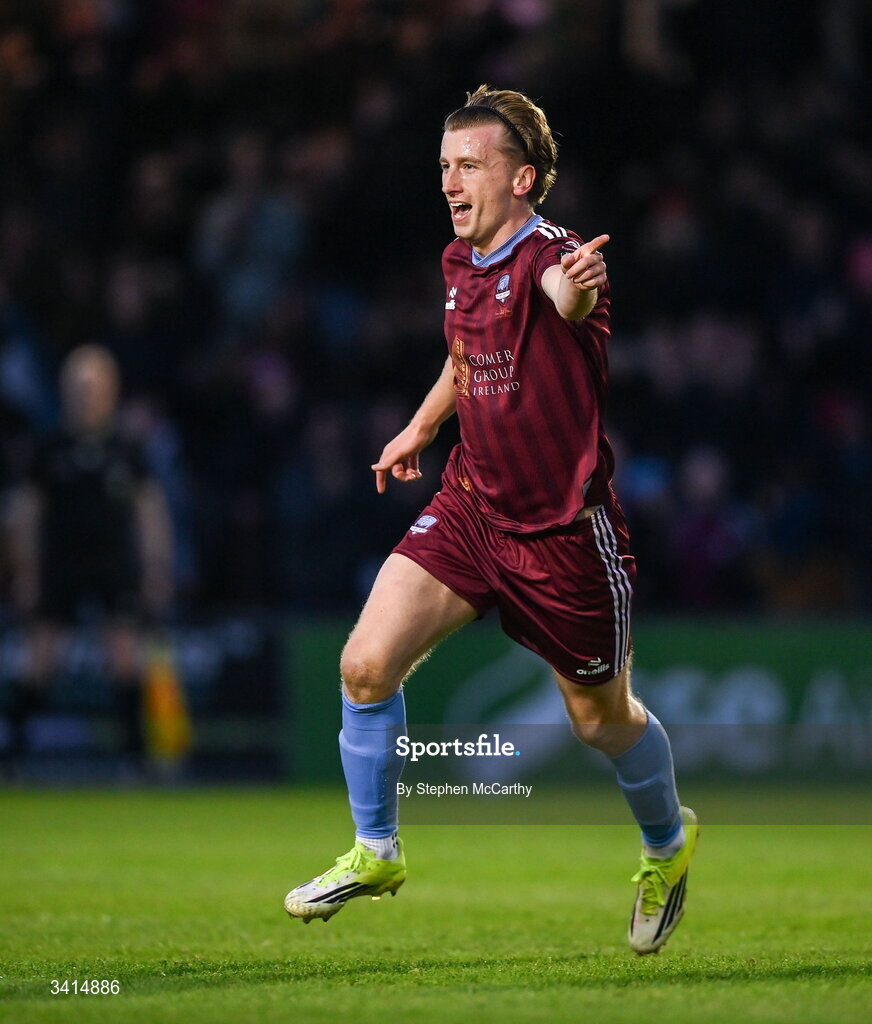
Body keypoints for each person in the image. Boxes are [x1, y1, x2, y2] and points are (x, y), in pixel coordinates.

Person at [284, 86, 698, 954]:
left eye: (470, 165)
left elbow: (564, 298)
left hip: (563, 537)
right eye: (445, 166)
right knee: (363, 666)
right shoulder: (458, 263)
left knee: (599, 723)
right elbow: (467, 352)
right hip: (472, 508)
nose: (451, 181)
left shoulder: (556, 258)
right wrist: (421, 427)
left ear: (525, 179)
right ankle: (377, 849)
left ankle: (667, 844)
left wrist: (579, 288)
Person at [6, 345, 173, 775]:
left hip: (114, 565)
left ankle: (135, 759)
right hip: (60, 565)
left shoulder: (127, 448)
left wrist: (156, 567)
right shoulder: (50, 447)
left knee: (123, 658)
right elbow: (25, 513)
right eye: (79, 386)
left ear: (111, 390)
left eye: (95, 386)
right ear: (65, 391)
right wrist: (25, 571)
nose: (87, 395)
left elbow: (150, 510)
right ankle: (12, 754)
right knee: (40, 659)